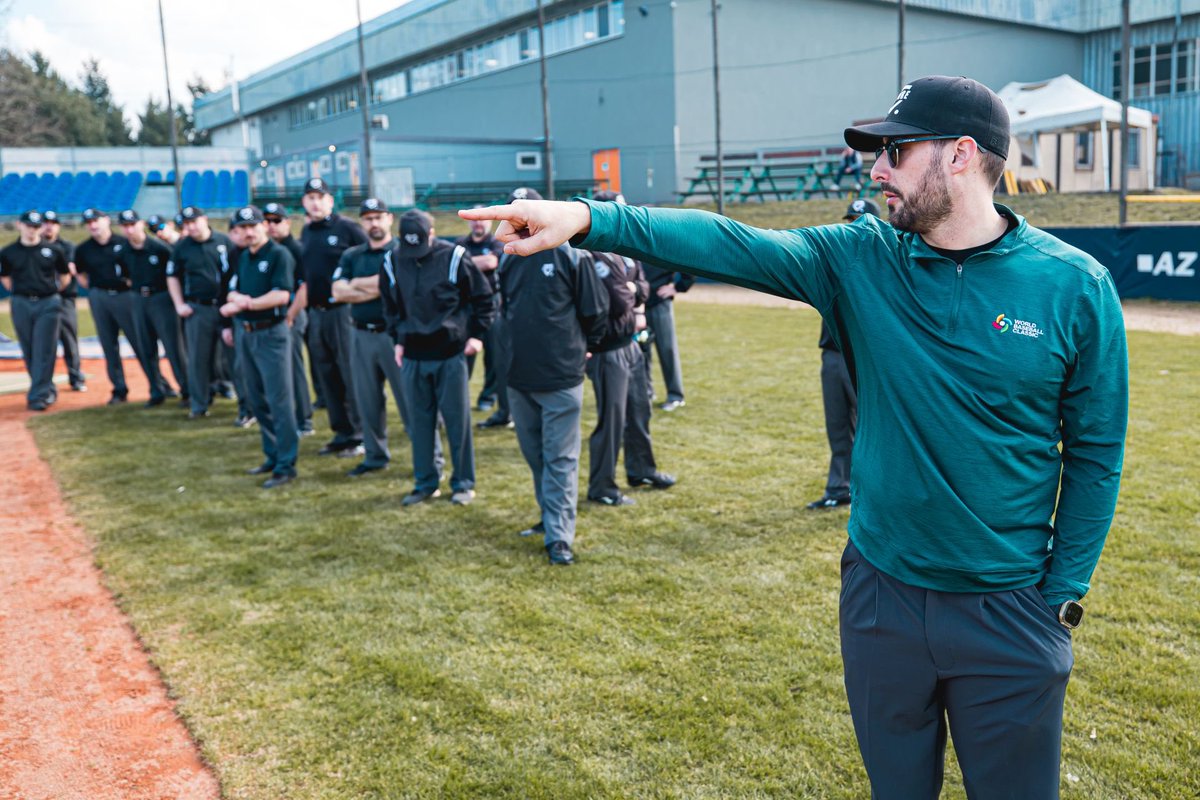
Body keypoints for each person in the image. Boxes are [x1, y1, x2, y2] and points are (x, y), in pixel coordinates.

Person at [461, 75, 1129, 799]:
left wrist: (1058, 600)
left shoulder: (1075, 287)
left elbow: (1096, 455)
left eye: (895, 152)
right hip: (883, 599)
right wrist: (587, 218)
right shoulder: (862, 257)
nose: (876, 171)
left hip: (1009, 611)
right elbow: (730, 242)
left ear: (961, 155)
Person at [495, 187, 608, 565]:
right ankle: (549, 517)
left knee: (560, 459)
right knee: (536, 456)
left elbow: (595, 311)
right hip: (519, 375)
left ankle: (559, 536)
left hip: (560, 375)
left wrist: (584, 347)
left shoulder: (571, 255)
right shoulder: (509, 257)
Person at [380, 210, 496, 506]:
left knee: (457, 422)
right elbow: (390, 305)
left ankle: (463, 483)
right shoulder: (392, 260)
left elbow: (483, 298)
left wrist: (476, 335)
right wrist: (397, 339)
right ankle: (426, 482)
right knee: (419, 424)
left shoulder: (455, 256)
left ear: (431, 234)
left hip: (450, 353)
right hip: (412, 355)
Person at [332, 198, 441, 477]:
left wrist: (358, 284)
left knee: (412, 403)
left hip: (395, 336)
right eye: (368, 218)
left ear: (389, 219)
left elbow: (400, 288)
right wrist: (377, 286)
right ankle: (375, 456)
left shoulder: (403, 251)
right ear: (361, 222)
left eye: (378, 217)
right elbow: (338, 292)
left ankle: (430, 463)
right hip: (360, 333)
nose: (374, 223)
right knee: (367, 401)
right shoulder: (353, 255)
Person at [584, 191, 675, 506]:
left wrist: (633, 289)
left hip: (631, 344)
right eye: (618, 212)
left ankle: (642, 470)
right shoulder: (591, 252)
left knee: (639, 410)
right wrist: (633, 290)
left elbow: (644, 288)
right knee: (612, 421)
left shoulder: (624, 250)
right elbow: (618, 298)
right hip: (607, 349)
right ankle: (602, 487)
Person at [806, 197, 879, 511]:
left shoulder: (883, 265)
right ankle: (839, 487)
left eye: (860, 222)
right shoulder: (838, 259)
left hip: (864, 358)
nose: (853, 227)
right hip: (832, 354)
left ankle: (877, 494)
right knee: (837, 426)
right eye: (850, 221)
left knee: (872, 429)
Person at [220, 206, 297, 489]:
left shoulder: (278, 254)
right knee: (256, 397)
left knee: (279, 400)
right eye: (243, 227)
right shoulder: (243, 256)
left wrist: (247, 303)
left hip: (271, 332)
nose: (248, 232)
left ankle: (286, 464)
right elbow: (232, 289)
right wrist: (238, 301)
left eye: (253, 226)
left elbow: (282, 295)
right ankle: (272, 455)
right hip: (247, 332)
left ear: (264, 225)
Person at [299, 177, 367, 456]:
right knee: (327, 375)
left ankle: (361, 434)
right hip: (316, 313)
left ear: (330, 200)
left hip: (342, 312)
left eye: (320, 197)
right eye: (310, 198)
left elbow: (370, 256)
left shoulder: (347, 228)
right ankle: (342, 432)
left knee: (350, 373)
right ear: (304, 202)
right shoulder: (307, 232)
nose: (315, 203)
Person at [73, 208, 148, 406]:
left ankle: (158, 384)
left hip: (125, 295)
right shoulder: (84, 249)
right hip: (100, 296)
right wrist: (95, 290)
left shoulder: (123, 243)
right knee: (109, 345)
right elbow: (81, 275)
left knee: (140, 341)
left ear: (106, 220)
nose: (93, 225)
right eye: (89, 222)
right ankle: (119, 389)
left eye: (96, 220)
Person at [166, 206, 235, 419]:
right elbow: (172, 276)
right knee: (198, 359)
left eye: (194, 221)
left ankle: (246, 404)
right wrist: (179, 304)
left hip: (226, 307)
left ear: (204, 219)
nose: (191, 227)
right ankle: (199, 404)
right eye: (186, 224)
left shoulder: (223, 242)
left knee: (234, 357)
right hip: (198, 308)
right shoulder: (182, 247)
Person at [117, 209, 186, 408]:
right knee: (146, 347)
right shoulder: (123, 252)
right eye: (125, 226)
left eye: (132, 224)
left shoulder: (160, 248)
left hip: (162, 298)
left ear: (141, 224)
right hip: (139, 298)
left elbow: (174, 274)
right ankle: (157, 390)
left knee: (173, 347)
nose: (129, 229)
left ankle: (187, 390)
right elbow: (126, 277)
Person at [1, 210, 69, 410]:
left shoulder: (53, 250)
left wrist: (52, 291)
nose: (32, 230)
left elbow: (64, 276)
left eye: (36, 226)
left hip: (48, 302)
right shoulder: (9, 252)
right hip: (21, 302)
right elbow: (5, 278)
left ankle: (38, 396)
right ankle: (46, 388)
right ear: (19, 225)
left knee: (44, 348)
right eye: (29, 226)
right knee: (29, 348)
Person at [264, 202, 315, 437]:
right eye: (267, 221)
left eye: (276, 221)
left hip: (292, 313)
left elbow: (304, 287)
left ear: (287, 222)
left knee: (294, 369)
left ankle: (304, 420)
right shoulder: (268, 249)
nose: (271, 225)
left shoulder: (295, 249)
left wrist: (291, 315)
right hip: (275, 315)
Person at [455, 211, 505, 409]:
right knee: (464, 354)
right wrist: (479, 262)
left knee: (493, 355)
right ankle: (458, 397)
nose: (478, 223)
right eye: (474, 220)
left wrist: (464, 263)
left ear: (490, 223)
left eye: (482, 220)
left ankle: (488, 397)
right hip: (466, 306)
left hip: (492, 305)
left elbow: (491, 262)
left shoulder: (497, 242)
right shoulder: (461, 243)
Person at [40, 210, 86, 392]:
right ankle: (43, 383)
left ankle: (76, 378)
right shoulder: (34, 246)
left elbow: (71, 270)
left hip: (64, 298)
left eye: (52, 223)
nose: (49, 226)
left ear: (58, 226)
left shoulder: (68, 247)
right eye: (45, 223)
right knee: (43, 343)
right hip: (41, 300)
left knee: (69, 340)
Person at [640, 258, 693, 412]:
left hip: (659, 301)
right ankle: (646, 393)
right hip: (637, 303)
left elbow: (688, 267)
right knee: (641, 350)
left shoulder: (665, 244)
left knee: (667, 349)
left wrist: (677, 287)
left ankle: (675, 396)